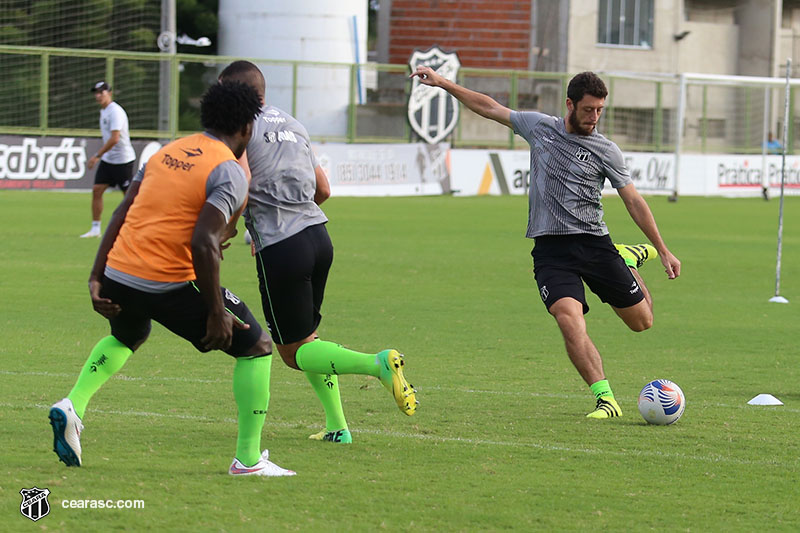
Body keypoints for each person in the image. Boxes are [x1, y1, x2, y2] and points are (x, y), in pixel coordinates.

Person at [49, 80, 296, 476]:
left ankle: (72, 406)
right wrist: (215, 311)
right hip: (168, 282)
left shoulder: (166, 152)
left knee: (128, 334)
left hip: (119, 272)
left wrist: (97, 277)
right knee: (257, 346)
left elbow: (121, 211)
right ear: (247, 129)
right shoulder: (229, 170)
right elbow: (203, 243)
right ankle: (248, 461)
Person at [410, 67, 681, 418]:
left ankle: (627, 260)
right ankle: (606, 399)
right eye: (588, 110)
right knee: (569, 319)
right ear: (570, 104)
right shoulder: (540, 128)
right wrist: (444, 83)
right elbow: (490, 108)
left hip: (595, 245)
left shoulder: (606, 150)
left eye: (600, 110)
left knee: (641, 322)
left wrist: (662, 249)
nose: (594, 117)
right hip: (552, 251)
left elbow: (633, 200)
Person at [218, 61, 418, 444]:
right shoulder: (294, 124)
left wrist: (227, 228)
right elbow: (323, 188)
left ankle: (377, 364)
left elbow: (240, 180)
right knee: (309, 339)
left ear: (233, 92)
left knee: (293, 354)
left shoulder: (241, 126)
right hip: (318, 237)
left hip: (281, 246)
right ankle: (338, 427)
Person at [80, 81, 137, 238]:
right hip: (109, 159)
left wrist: (97, 156)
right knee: (97, 190)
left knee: (129, 197)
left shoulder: (115, 112)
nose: (98, 96)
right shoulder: (103, 111)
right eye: (96, 93)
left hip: (123, 160)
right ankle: (95, 228)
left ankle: (134, 227)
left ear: (109, 93)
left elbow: (115, 139)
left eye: (101, 93)